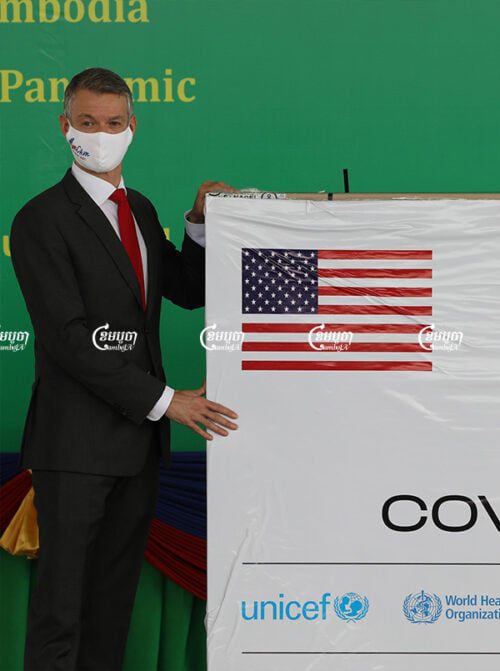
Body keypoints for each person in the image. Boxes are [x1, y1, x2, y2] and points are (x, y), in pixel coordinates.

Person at [9, 67, 239, 671]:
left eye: (113, 123)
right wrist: (170, 401)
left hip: (137, 449)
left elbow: (186, 290)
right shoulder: (39, 219)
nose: (101, 133)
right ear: (65, 128)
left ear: (132, 128)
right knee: (62, 612)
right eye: (87, 123)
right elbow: (68, 340)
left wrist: (197, 222)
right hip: (76, 448)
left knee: (112, 609)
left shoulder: (137, 207)